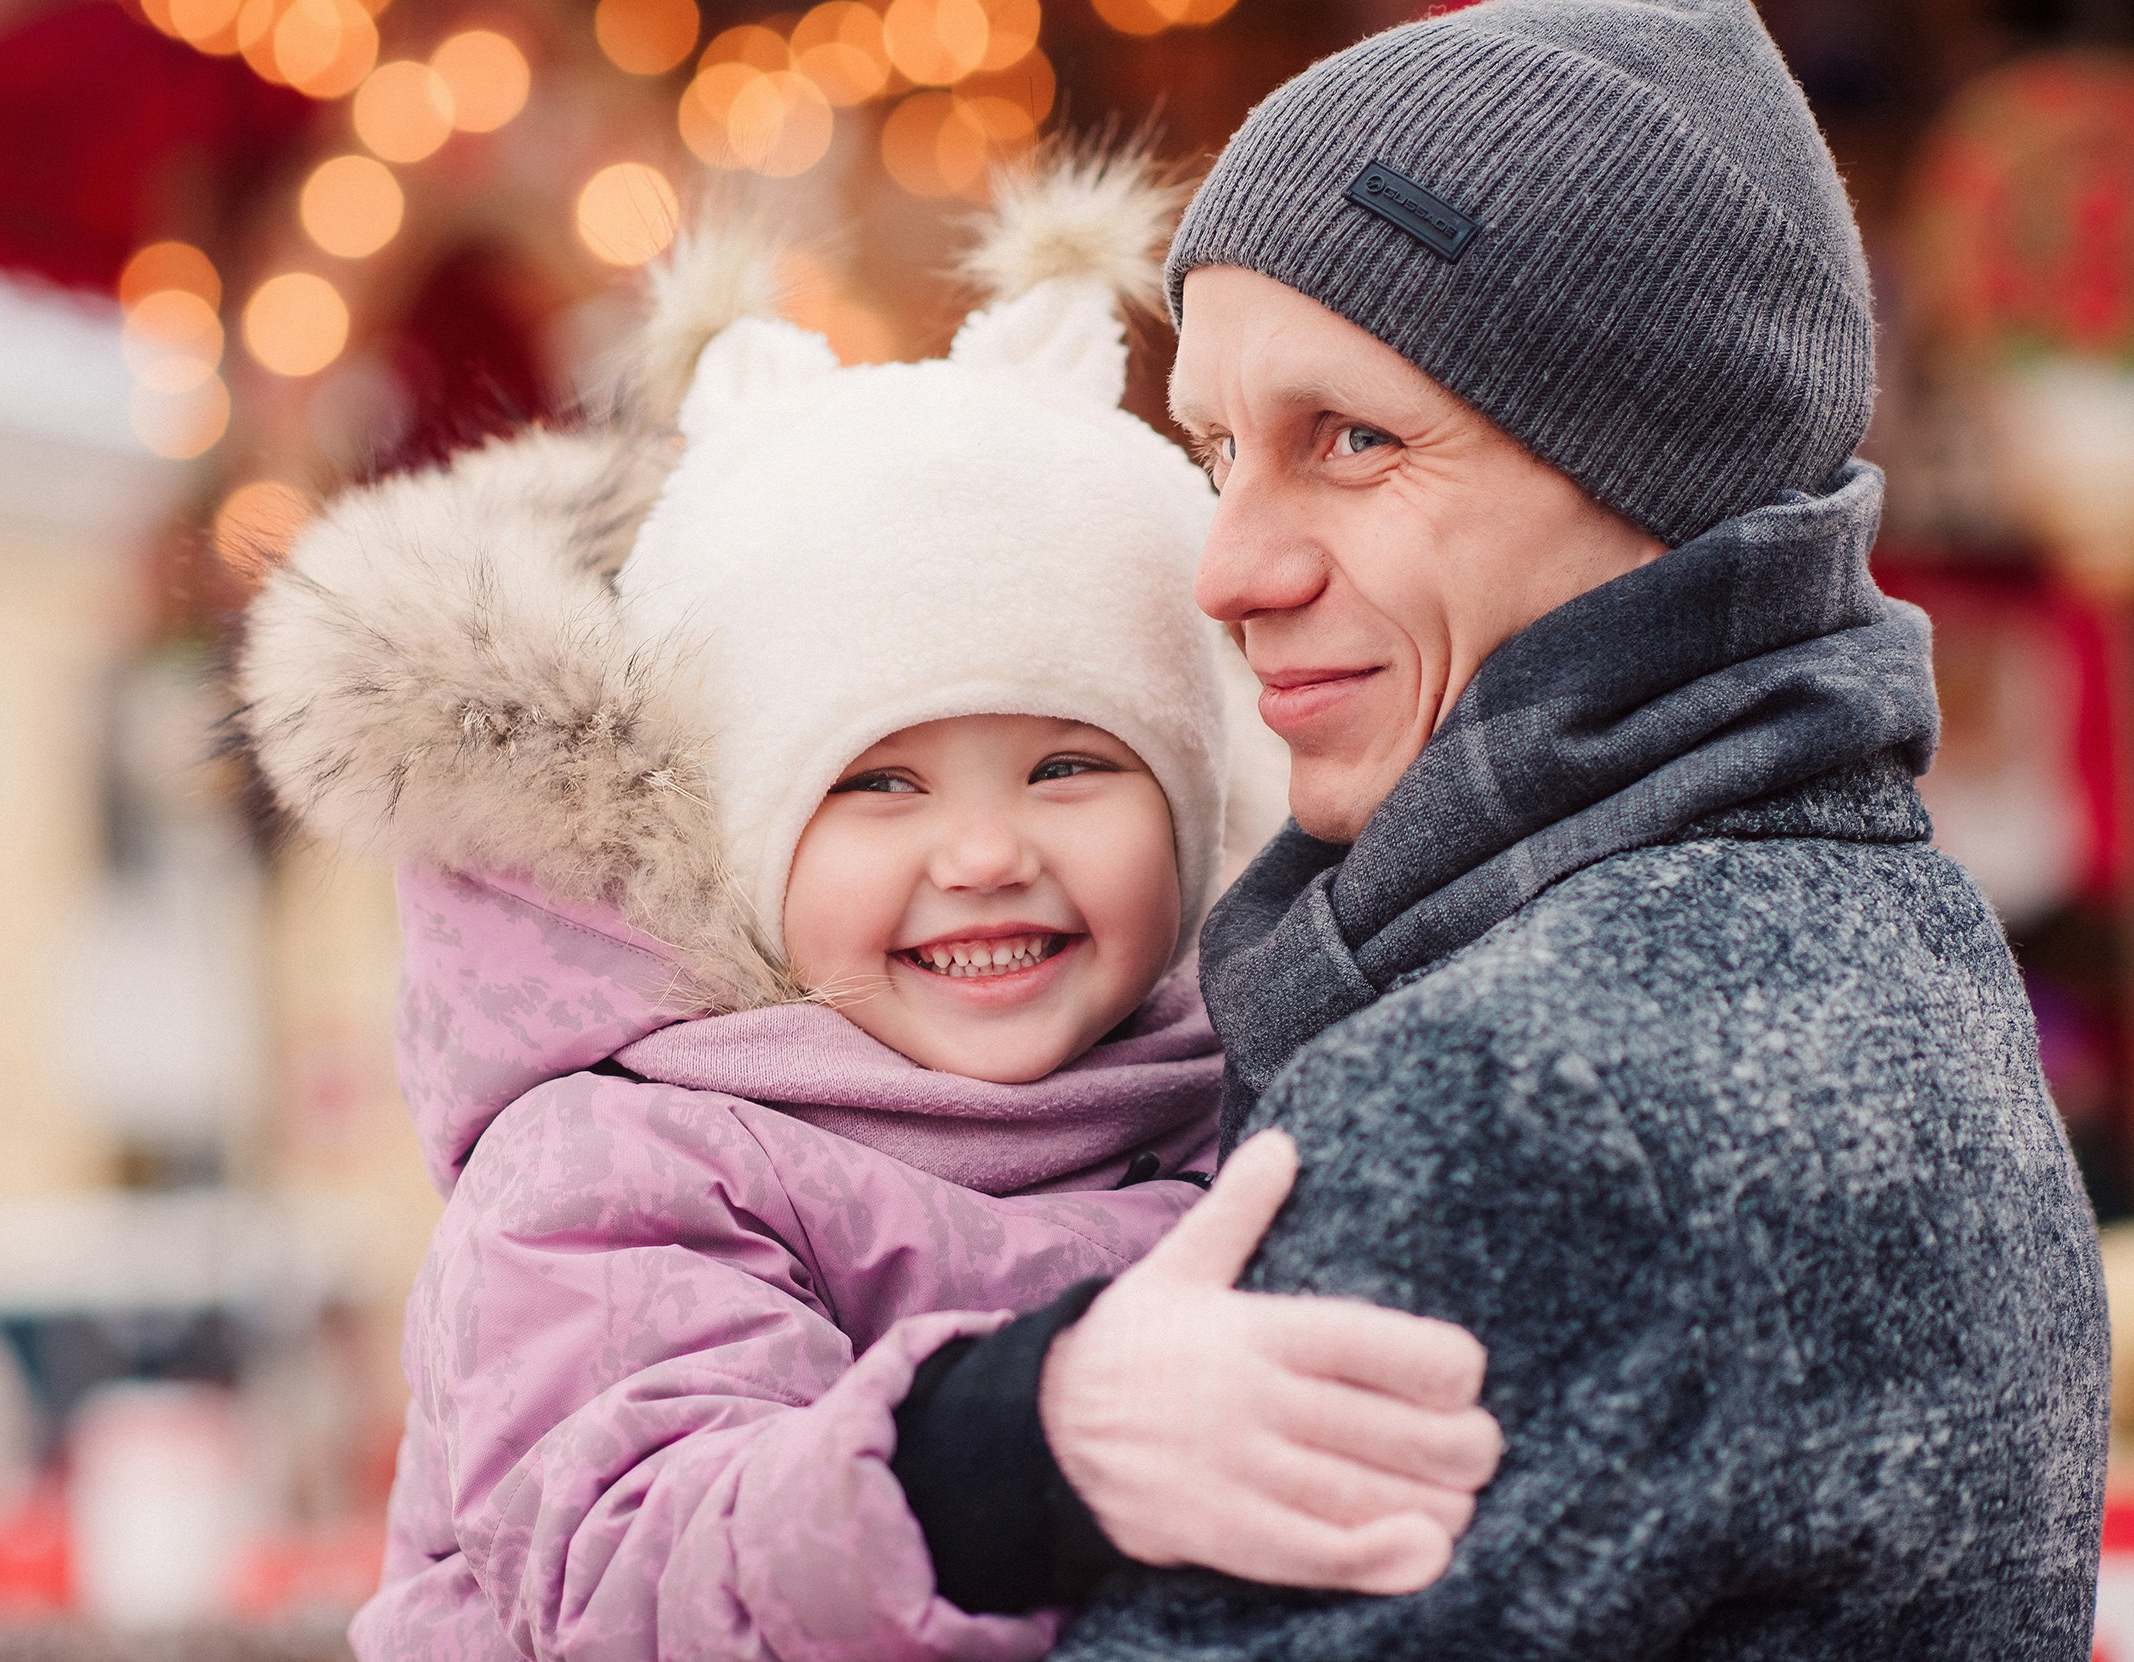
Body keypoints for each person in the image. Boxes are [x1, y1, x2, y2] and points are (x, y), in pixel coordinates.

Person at [885, 0, 2110, 1659]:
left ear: (1655, 468)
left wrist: (961, 1452)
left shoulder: (1524, 1088)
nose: (1229, 569)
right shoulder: (1880, 913)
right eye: (1221, 447)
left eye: (1352, 438)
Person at [237, 153, 1502, 1662]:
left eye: (1069, 766)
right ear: (745, 845)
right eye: (878, 784)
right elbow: (628, 1568)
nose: (983, 853)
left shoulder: (1251, 1081)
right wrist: (1017, 1451)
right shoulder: (625, 1161)